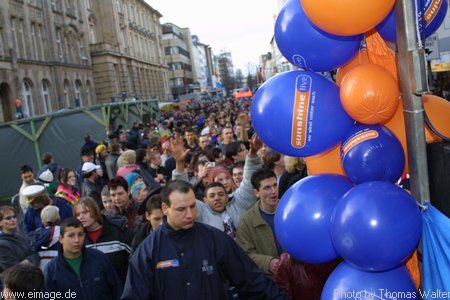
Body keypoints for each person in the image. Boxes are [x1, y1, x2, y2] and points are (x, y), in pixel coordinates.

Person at [121, 180, 288, 300]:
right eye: (181, 209)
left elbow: (251, 280)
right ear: (165, 209)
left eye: (193, 206)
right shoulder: (148, 251)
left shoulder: (214, 239)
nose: (190, 214)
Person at [44, 218, 122, 300]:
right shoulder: (51, 270)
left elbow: (117, 290)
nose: (77, 240)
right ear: (61, 239)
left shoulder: (99, 258)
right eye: (71, 236)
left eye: (80, 234)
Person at [73, 197, 131, 286]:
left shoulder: (116, 232)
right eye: (77, 215)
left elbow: (134, 260)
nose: (81, 217)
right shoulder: (78, 240)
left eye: (85, 212)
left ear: (95, 211)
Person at [236, 168, 283, 275]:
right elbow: (245, 254)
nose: (273, 191)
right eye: (267, 188)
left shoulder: (290, 209)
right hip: (269, 282)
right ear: (256, 192)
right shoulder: (247, 222)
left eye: (275, 185)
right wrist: (268, 263)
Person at [0, 206, 40, 289]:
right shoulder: (1, 244)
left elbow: (35, 255)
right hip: (15, 288)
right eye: (8, 218)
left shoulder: (21, 237)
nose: (13, 219)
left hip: (31, 283)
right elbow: (14, 270)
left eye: (14, 216)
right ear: (0, 223)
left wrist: (26, 261)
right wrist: (30, 261)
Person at [27, 205, 61, 270]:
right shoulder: (63, 232)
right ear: (58, 218)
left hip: (41, 271)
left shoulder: (35, 236)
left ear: (42, 221)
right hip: (60, 268)